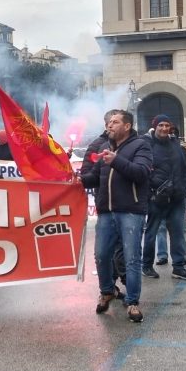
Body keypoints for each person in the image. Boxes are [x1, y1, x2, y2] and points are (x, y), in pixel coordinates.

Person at [79, 110, 151, 323]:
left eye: (115, 122)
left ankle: (132, 301)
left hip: (130, 210)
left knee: (131, 258)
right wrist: (78, 179)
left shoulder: (141, 145)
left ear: (127, 126)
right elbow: (95, 178)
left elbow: (141, 173)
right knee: (101, 255)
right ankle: (107, 290)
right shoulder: (103, 147)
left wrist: (116, 160)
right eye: (109, 122)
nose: (109, 126)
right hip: (106, 212)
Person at [141, 114, 186, 281]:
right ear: (155, 127)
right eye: (161, 125)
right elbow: (142, 171)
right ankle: (147, 266)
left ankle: (178, 267)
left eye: (167, 125)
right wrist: (151, 192)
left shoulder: (178, 147)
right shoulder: (146, 146)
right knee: (151, 233)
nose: (164, 128)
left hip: (177, 197)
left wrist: (185, 189)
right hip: (156, 198)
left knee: (178, 233)